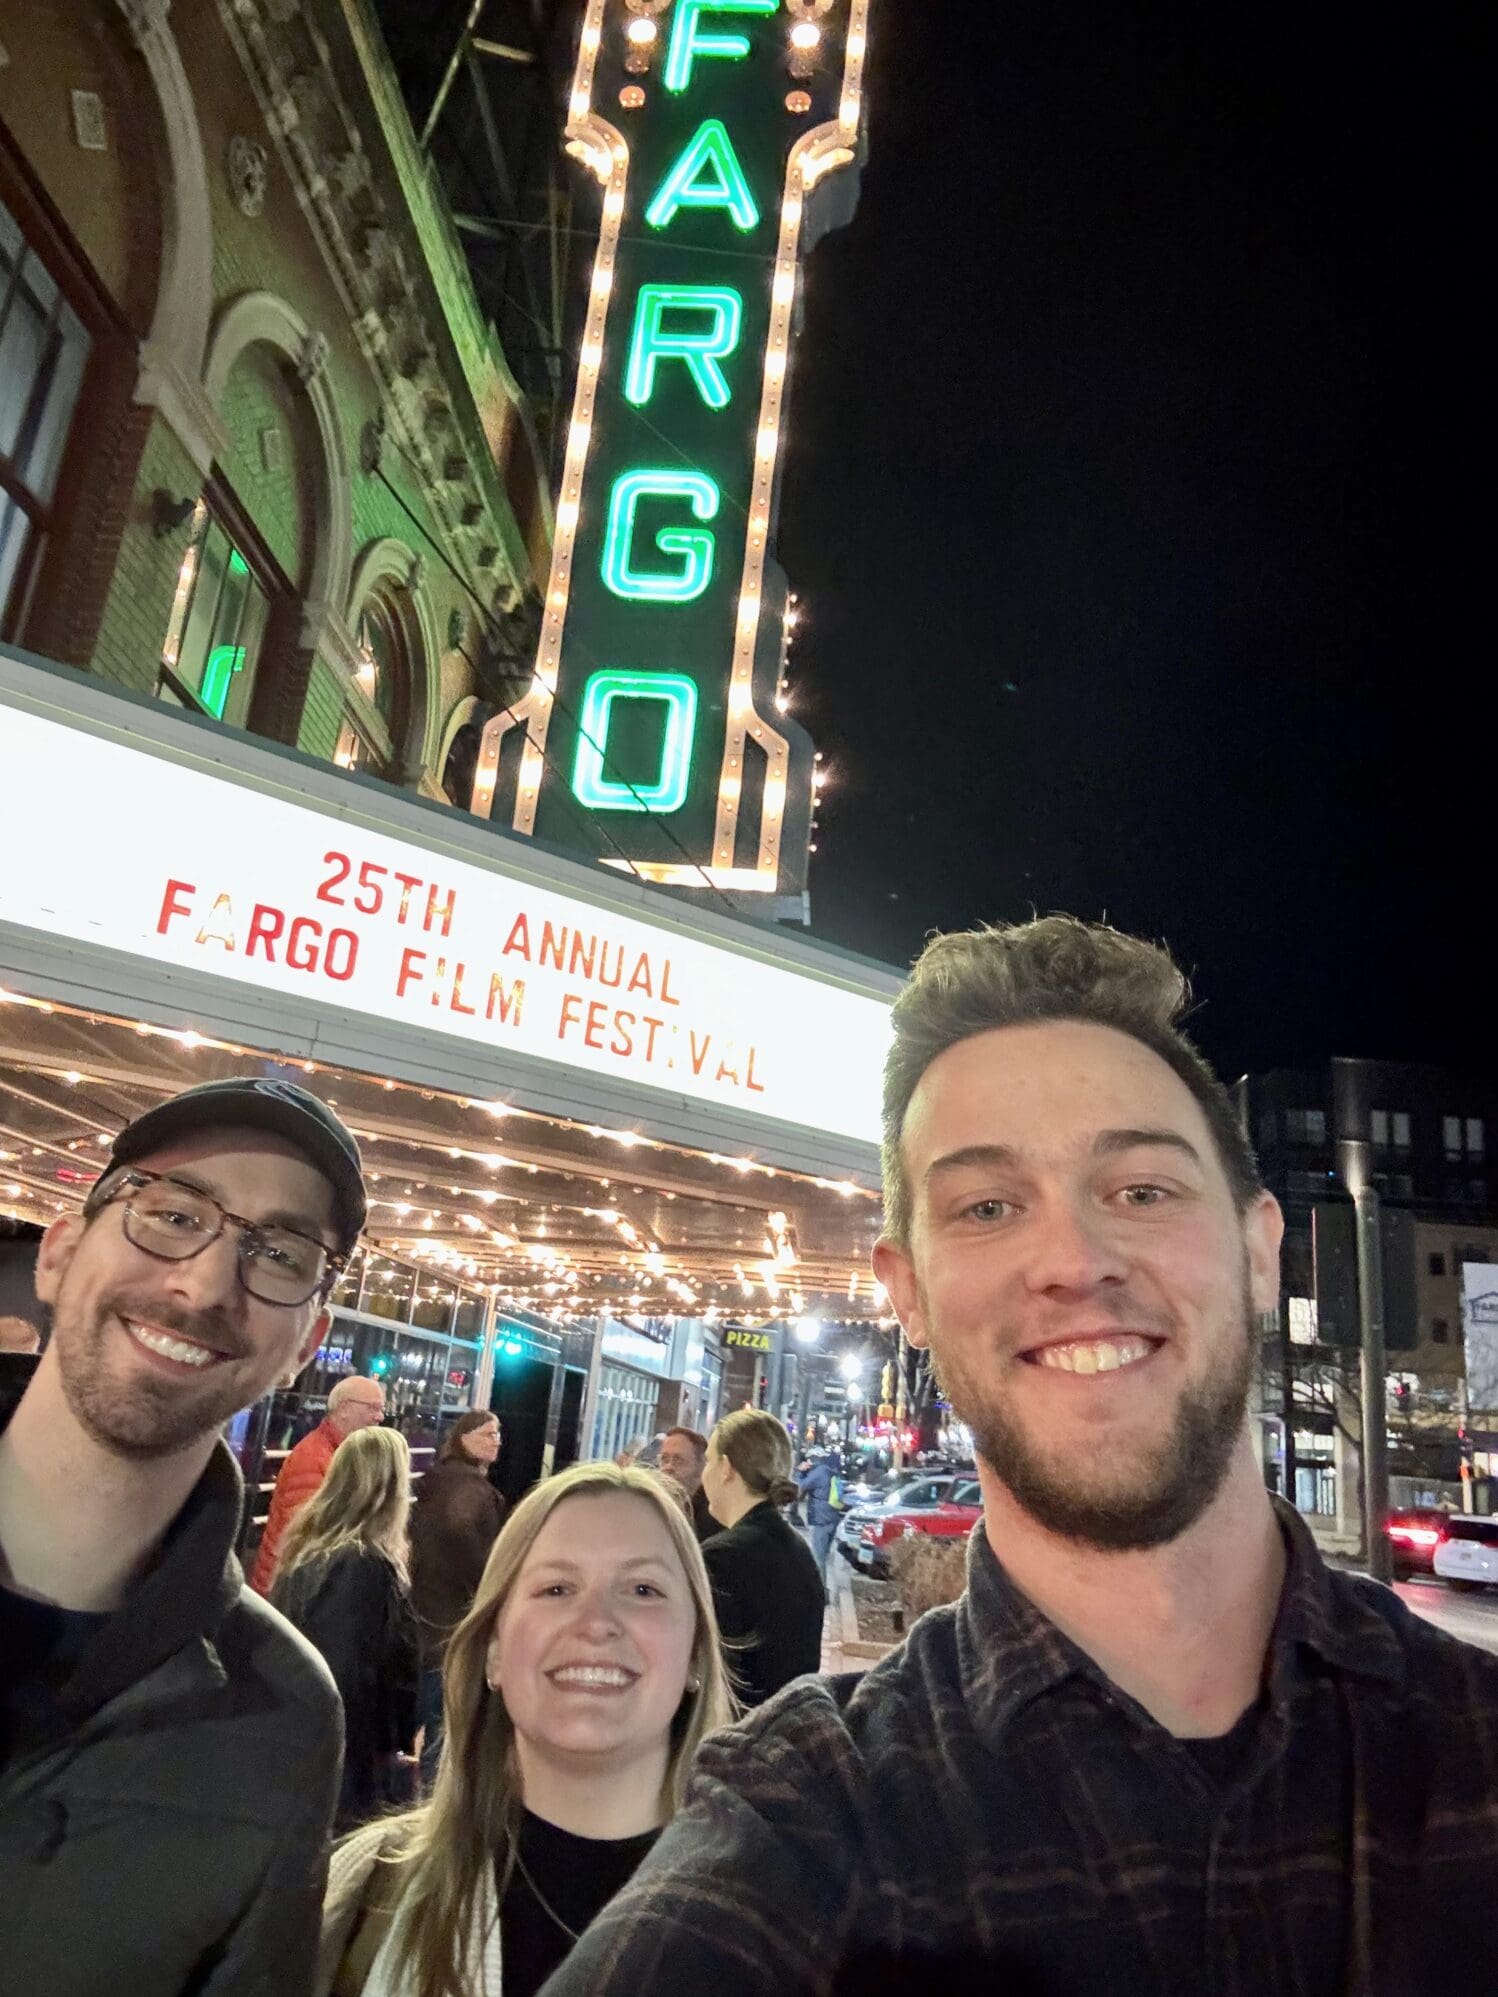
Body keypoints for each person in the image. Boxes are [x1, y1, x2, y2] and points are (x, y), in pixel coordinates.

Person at [542, 917, 1498, 1997]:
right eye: (987, 1206)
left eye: (1140, 1188)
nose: (1074, 1260)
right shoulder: (797, 1821)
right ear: (905, 1290)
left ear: (1259, 1246)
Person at [0, 1075, 366, 1996]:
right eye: (169, 1214)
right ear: (59, 1253)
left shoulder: (283, 1723)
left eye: (278, 1252)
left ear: (306, 1339)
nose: (204, 1283)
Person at [316, 1459, 733, 1997]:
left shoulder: (787, 1933)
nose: (596, 1622)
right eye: (557, 1589)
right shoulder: (359, 1894)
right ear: (493, 1650)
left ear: (696, 1655)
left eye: (643, 1590)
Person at [272, 1422, 420, 1830]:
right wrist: (390, 1740)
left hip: (300, 1741)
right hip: (347, 1755)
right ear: (388, 1486)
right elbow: (352, 1669)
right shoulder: (364, 1564)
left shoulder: (307, 1548)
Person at [699, 1407, 825, 1708]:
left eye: (707, 1461)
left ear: (727, 1468)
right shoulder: (797, 1549)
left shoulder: (721, 1558)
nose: (703, 1473)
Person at [409, 1408, 506, 1783]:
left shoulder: (435, 1480)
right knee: (442, 1722)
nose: (496, 1440)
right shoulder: (473, 1491)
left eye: (498, 1434)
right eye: (487, 1433)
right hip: (453, 1619)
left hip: (424, 1614)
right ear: (463, 1439)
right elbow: (461, 1536)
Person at [252, 1370, 387, 1594]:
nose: (380, 1416)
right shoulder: (314, 1458)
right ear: (344, 1408)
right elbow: (306, 1538)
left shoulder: (336, 1454)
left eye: (381, 1408)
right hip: (285, 1593)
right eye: (373, 1407)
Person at [658, 1424, 715, 1542]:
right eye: (664, 1459)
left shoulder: (714, 1514)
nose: (668, 1467)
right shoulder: (655, 1507)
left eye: (678, 1460)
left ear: (701, 1466)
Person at [795, 1447, 843, 1585]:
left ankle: (821, 1593)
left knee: (818, 1558)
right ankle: (824, 1589)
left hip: (821, 1519)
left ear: (813, 1458)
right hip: (832, 1517)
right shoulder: (830, 1470)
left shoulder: (818, 1472)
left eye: (809, 1458)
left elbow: (799, 1487)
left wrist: (799, 1471)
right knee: (823, 1555)